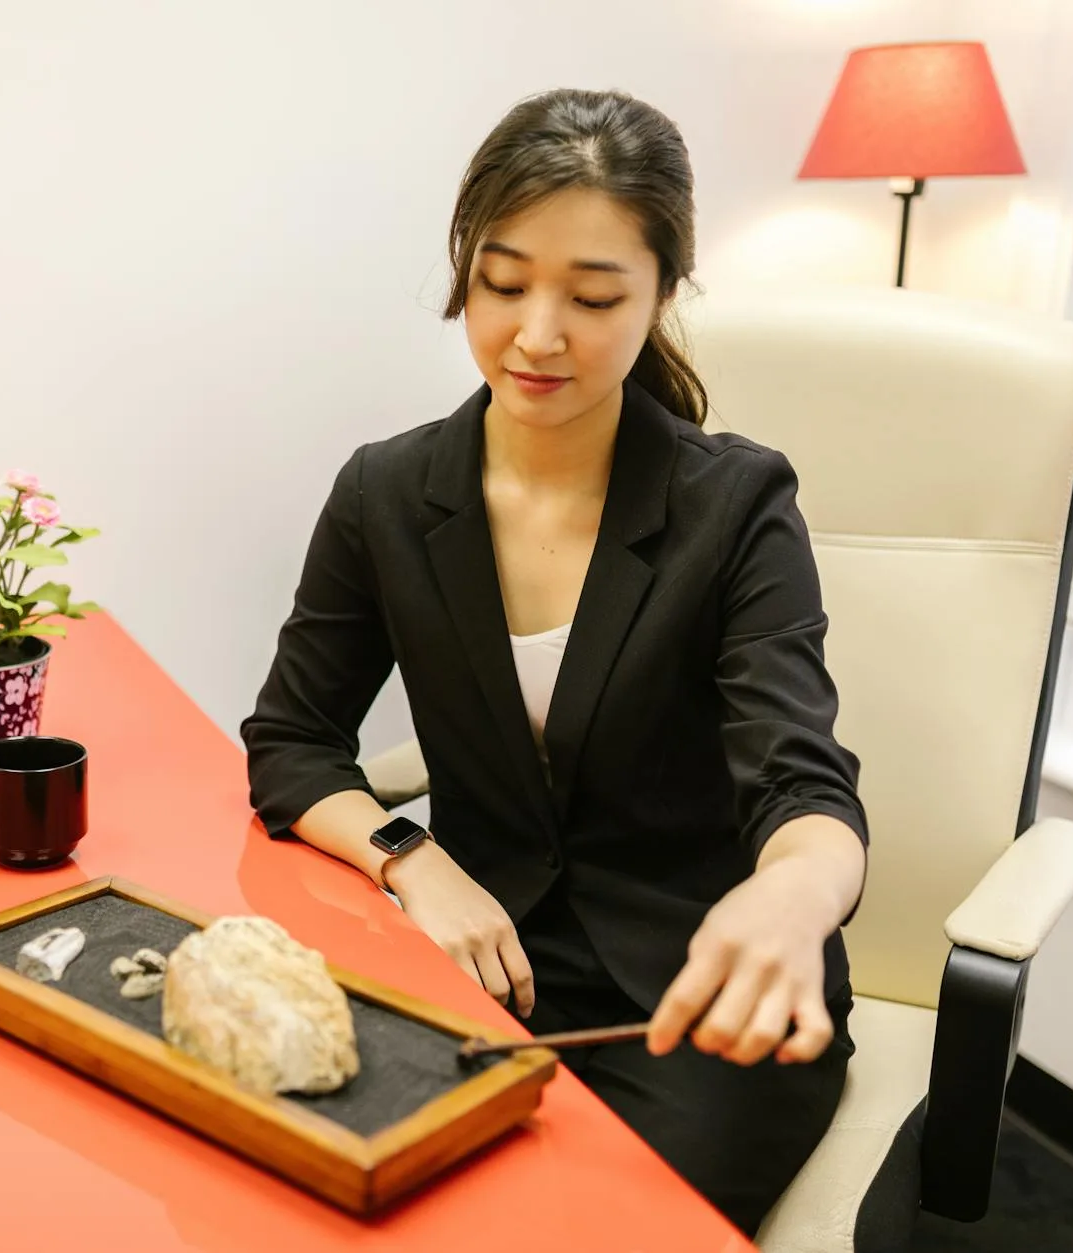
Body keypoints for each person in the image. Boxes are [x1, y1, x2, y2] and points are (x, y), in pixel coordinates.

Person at [240, 87, 868, 1235]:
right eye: (502, 281)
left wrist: (790, 899)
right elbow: (290, 740)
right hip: (475, 965)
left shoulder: (731, 504)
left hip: (696, 998)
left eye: (590, 296)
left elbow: (803, 784)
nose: (536, 333)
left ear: (662, 296)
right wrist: (410, 860)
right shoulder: (387, 492)